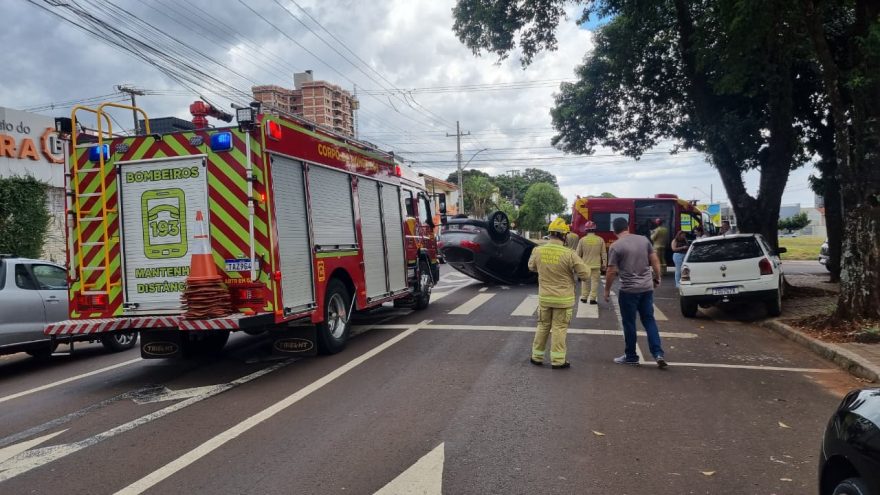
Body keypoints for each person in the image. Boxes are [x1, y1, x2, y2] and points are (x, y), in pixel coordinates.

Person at [604, 216, 667, 368]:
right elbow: (655, 261)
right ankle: (658, 353)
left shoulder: (616, 246)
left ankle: (631, 356)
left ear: (614, 231)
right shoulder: (644, 240)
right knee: (649, 320)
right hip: (646, 289)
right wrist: (657, 278)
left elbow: (611, 271)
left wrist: (606, 290)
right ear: (628, 227)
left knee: (629, 323)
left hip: (629, 291)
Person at [528, 218, 590, 369]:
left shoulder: (538, 250)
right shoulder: (569, 254)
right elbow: (586, 274)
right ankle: (558, 360)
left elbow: (531, 267)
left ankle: (537, 357)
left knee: (542, 326)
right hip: (563, 299)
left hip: (545, 297)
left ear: (550, 234)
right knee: (559, 328)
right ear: (564, 236)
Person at [576, 220, 607, 304]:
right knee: (595, 282)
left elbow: (578, 254)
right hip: (596, 265)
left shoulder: (582, 240)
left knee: (585, 281)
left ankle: (584, 297)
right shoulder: (600, 240)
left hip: (585, 265)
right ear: (594, 229)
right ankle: (592, 298)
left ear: (586, 230)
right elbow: (603, 253)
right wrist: (604, 264)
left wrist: (577, 265)